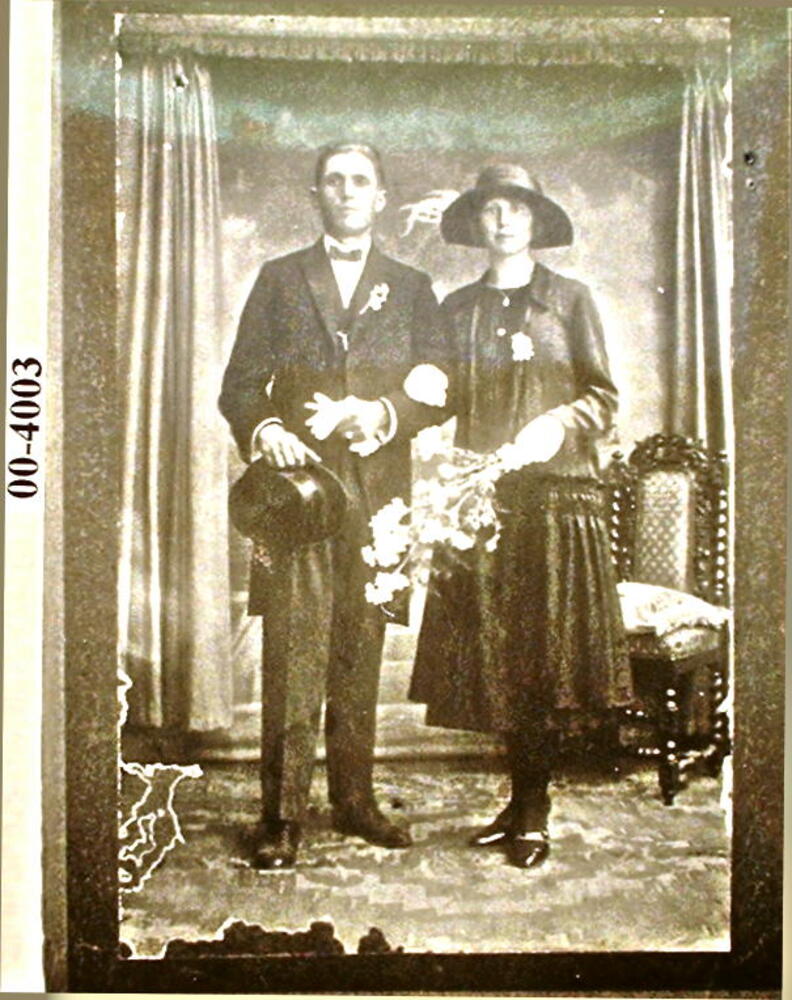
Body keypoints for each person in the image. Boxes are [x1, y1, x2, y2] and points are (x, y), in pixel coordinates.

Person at [219, 142, 450, 869]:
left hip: (380, 496)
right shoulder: (279, 278)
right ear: (316, 195)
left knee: (360, 644)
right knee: (293, 647)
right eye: (334, 181)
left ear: (380, 198)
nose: (347, 191)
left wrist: (383, 414)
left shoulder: (412, 287)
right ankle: (282, 816)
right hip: (297, 494)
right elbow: (240, 385)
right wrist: (267, 429)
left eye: (360, 181)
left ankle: (355, 801)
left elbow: (442, 384)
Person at [410, 163, 632, 869]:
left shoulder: (570, 300)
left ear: (535, 222)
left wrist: (561, 421)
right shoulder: (456, 310)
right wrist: (421, 383)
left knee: (542, 656)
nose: (503, 219)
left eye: (516, 208)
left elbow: (602, 398)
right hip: (487, 499)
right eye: (490, 209)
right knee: (498, 659)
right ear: (477, 224)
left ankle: (534, 808)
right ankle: (518, 801)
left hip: (556, 500)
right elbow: (440, 396)